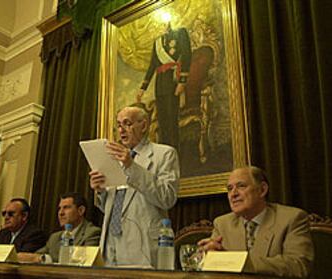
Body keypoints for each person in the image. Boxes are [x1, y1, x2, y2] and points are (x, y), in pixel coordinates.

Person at [89, 105, 180, 267]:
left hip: (143, 244)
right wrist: (100, 191)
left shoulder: (164, 154)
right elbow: (113, 207)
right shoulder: (115, 160)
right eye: (118, 125)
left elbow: (167, 198)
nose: (121, 130)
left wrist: (132, 166)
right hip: (110, 242)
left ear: (144, 126)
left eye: (127, 123)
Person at [197, 166, 314, 278]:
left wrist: (238, 262)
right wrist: (208, 258)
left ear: (262, 190)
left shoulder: (292, 218)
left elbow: (298, 266)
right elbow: (213, 266)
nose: (233, 194)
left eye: (241, 186)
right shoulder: (222, 223)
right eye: (229, 189)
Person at [137, 21, 191, 151]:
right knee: (162, 121)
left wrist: (182, 81)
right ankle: (165, 153)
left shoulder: (180, 33)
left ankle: (174, 152)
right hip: (160, 83)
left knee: (172, 120)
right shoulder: (158, 42)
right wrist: (142, 88)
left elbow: (187, 55)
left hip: (172, 81)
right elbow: (152, 65)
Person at [17, 192, 101, 263]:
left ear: (81, 210)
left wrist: (45, 259)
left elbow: (82, 261)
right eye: (59, 208)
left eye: (66, 208)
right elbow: (35, 256)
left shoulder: (92, 233)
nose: (61, 213)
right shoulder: (55, 237)